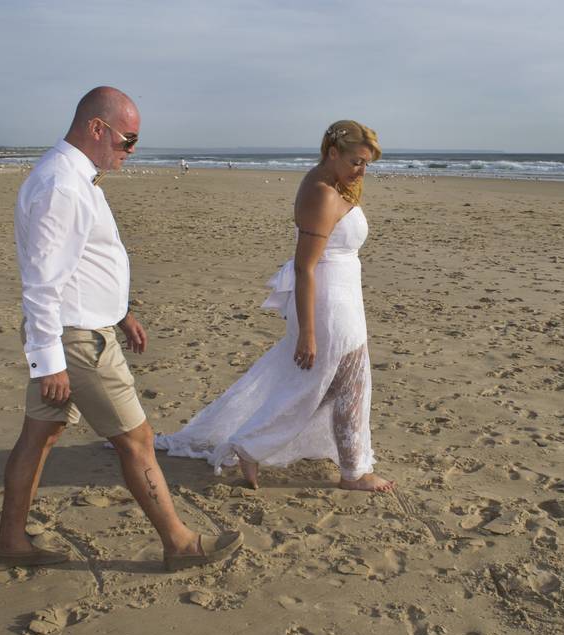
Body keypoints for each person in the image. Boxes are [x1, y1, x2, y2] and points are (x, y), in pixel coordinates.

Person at [0, 86, 242, 572]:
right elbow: (42, 283)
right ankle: (180, 544)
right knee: (137, 440)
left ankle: (10, 543)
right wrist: (49, 362)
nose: (131, 152)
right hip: (78, 342)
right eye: (128, 140)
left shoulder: (75, 178)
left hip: (79, 330)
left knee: (38, 437)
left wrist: (121, 311)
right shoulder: (61, 185)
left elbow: (81, 264)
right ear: (96, 128)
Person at [154, 120, 395, 492]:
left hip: (344, 295)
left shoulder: (334, 183)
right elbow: (304, 267)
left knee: (343, 385)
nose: (362, 171)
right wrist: (309, 334)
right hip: (328, 303)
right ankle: (332, 467)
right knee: (330, 386)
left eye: (367, 164)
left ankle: (342, 467)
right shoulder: (322, 192)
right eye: (357, 161)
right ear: (333, 153)